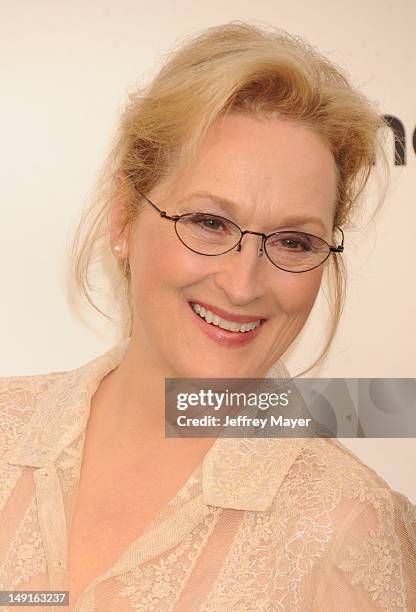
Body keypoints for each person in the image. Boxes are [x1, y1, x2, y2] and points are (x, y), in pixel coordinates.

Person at [1, 20, 415, 612]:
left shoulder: (348, 527)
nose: (243, 284)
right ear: (124, 221)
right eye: (209, 223)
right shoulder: (6, 430)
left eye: (294, 242)